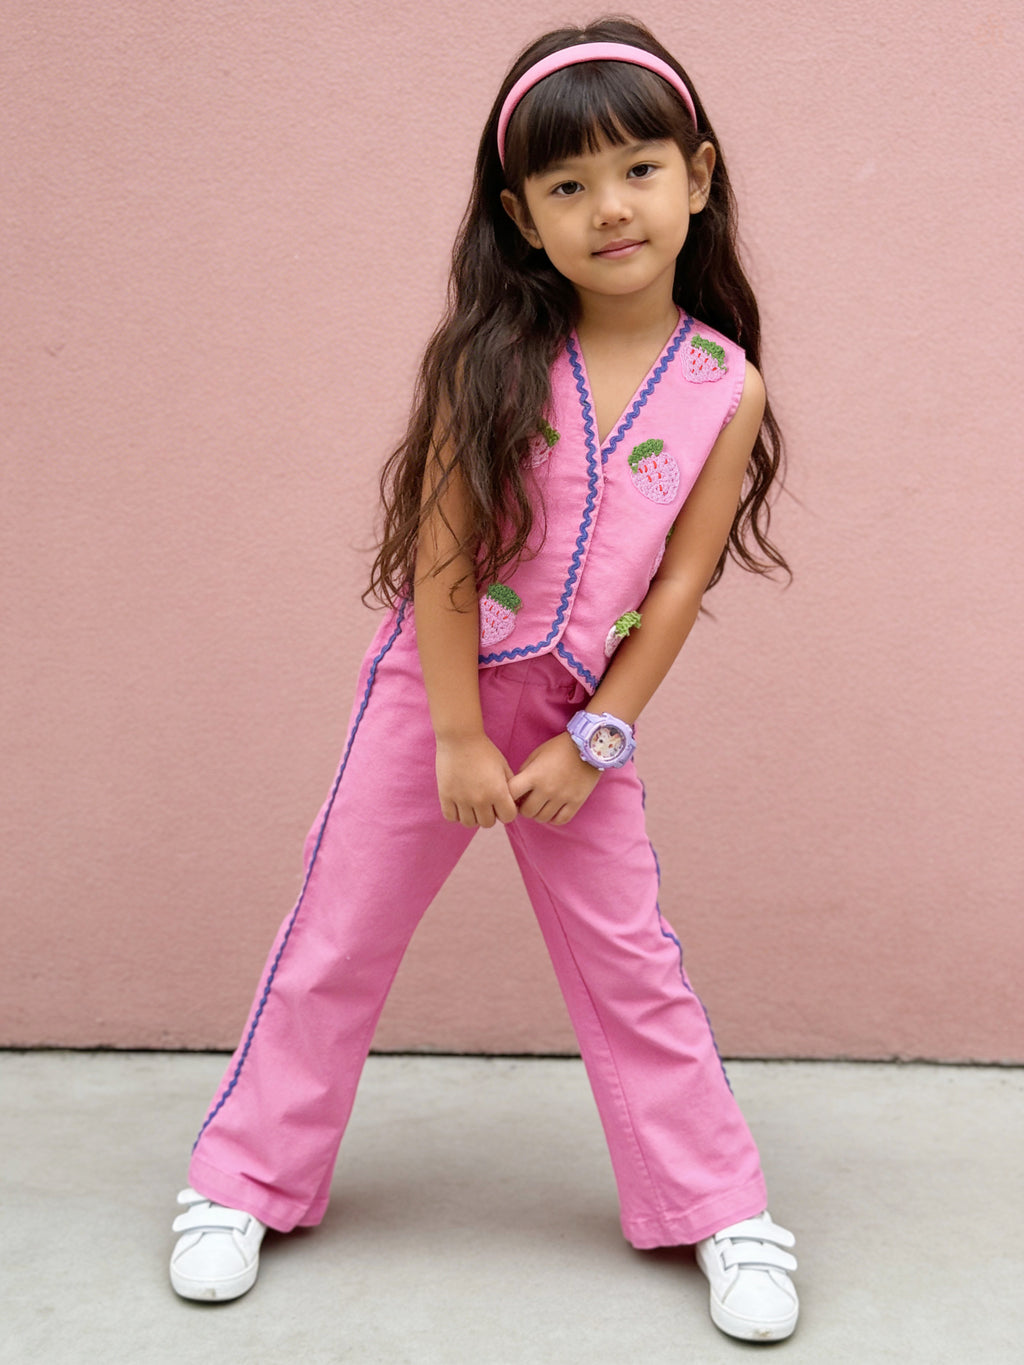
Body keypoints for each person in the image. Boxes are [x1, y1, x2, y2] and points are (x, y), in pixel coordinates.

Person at [168, 18, 800, 1343]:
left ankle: (717, 1203)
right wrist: (457, 735)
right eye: (568, 185)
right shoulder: (489, 361)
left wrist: (598, 736)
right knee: (338, 933)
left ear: (698, 175)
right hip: (435, 697)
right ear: (521, 216)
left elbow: (681, 583)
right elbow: (443, 552)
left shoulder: (722, 384)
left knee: (635, 962)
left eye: (638, 170)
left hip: (580, 718)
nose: (609, 207)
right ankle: (243, 1179)